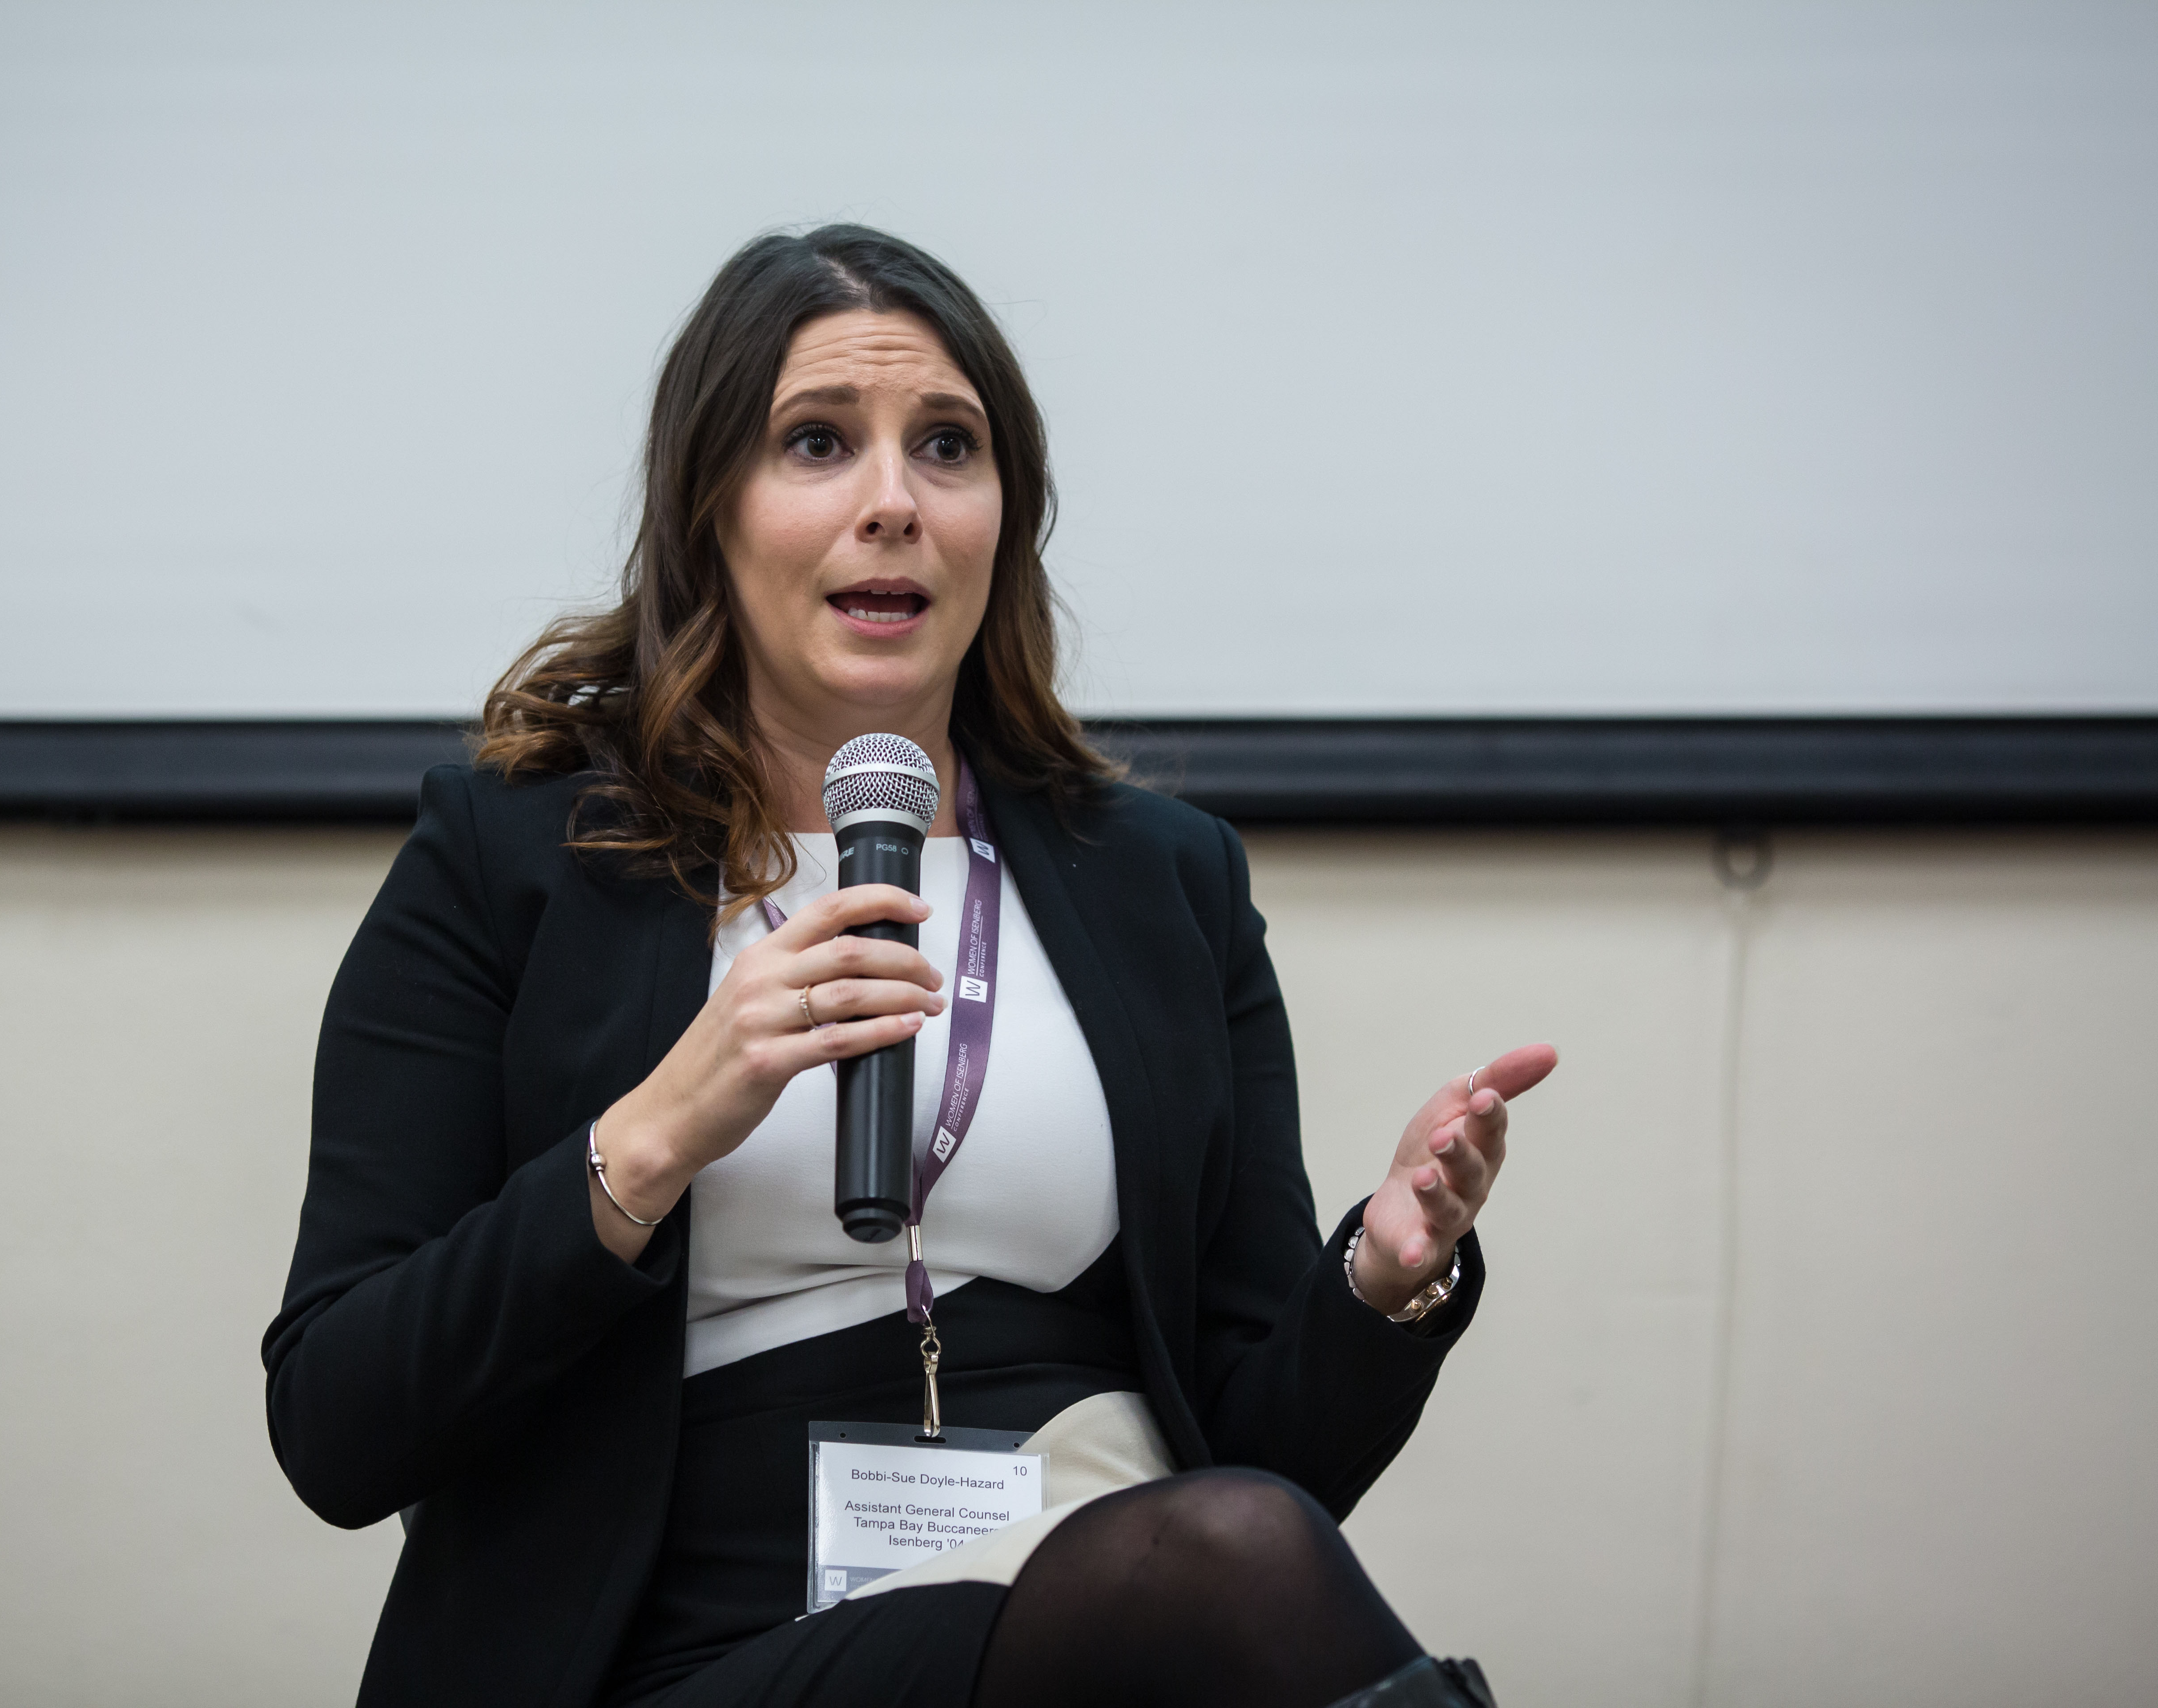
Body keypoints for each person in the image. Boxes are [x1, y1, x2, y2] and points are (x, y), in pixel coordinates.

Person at [264, 225, 1557, 1708]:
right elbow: (337, 1423)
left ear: (1005, 517)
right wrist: (653, 1139)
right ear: (709, 508)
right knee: (1228, 1565)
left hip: (1103, 1569)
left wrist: (1383, 1281)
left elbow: (1271, 1462)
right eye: (818, 443)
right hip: (672, 1639)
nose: (894, 502)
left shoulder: (1163, 880)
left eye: (948, 447)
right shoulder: (514, 860)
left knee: (1237, 1553)